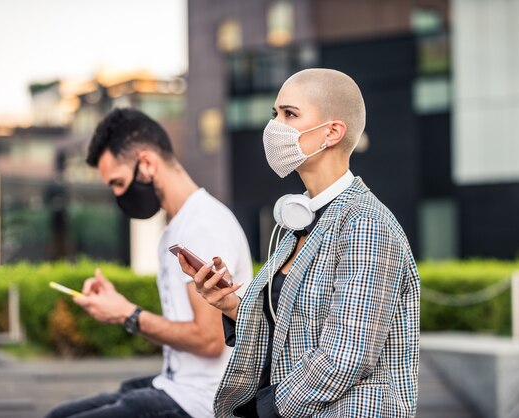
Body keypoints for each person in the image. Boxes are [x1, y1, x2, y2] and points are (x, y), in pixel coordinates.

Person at [179, 68, 420, 417]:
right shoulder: (300, 221)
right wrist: (232, 305)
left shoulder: (366, 225)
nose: (274, 127)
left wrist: (263, 409)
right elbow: (291, 331)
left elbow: (346, 357)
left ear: (332, 132)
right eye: (274, 114)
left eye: (289, 114)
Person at [45, 108, 253, 418]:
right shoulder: (177, 225)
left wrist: (127, 314)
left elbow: (211, 340)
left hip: (201, 402)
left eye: (118, 182)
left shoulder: (202, 225)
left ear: (146, 163)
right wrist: (119, 306)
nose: (118, 195)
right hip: (174, 386)